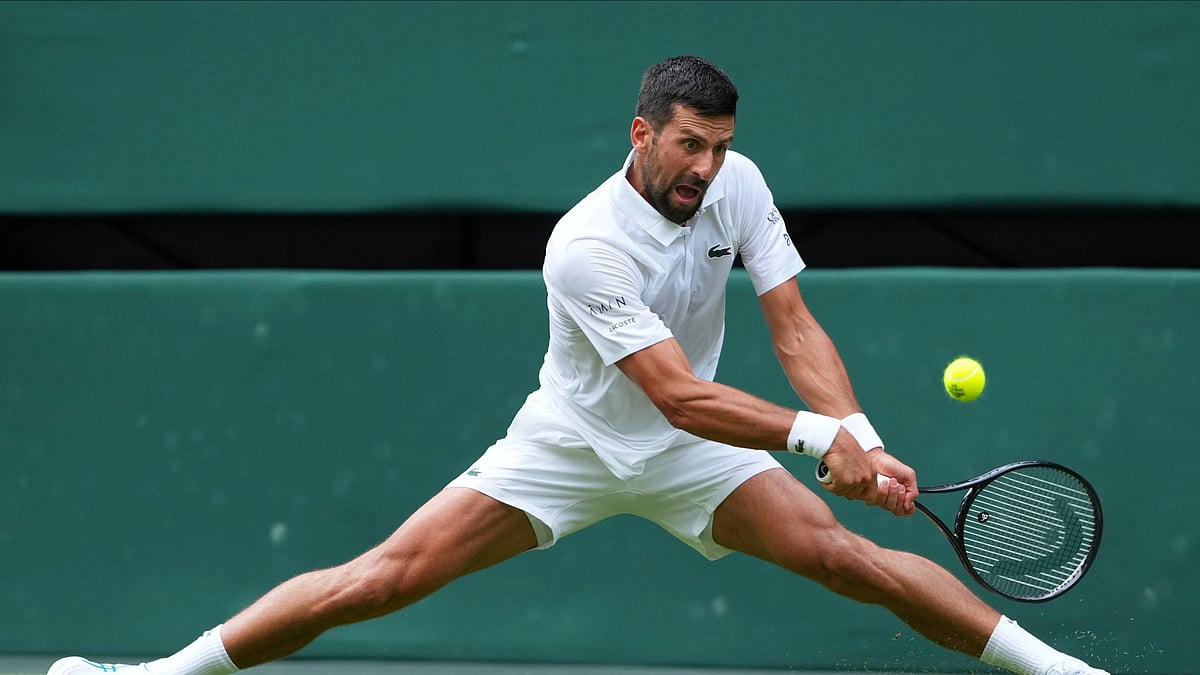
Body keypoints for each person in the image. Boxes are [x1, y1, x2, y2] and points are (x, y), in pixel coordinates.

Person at [50, 55, 1109, 675]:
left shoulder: (739, 188)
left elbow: (792, 325)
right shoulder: (585, 243)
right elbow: (675, 394)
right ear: (641, 134)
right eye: (688, 144)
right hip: (576, 442)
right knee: (379, 582)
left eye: (721, 145)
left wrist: (863, 441)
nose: (707, 167)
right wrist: (812, 435)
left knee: (849, 561)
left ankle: (1062, 672)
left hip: (703, 458)